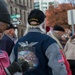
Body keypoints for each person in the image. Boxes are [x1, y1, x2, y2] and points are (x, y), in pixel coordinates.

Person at [11, 9, 67, 75]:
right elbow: (58, 69)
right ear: (43, 23)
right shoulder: (48, 41)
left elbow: (13, 65)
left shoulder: (19, 42)